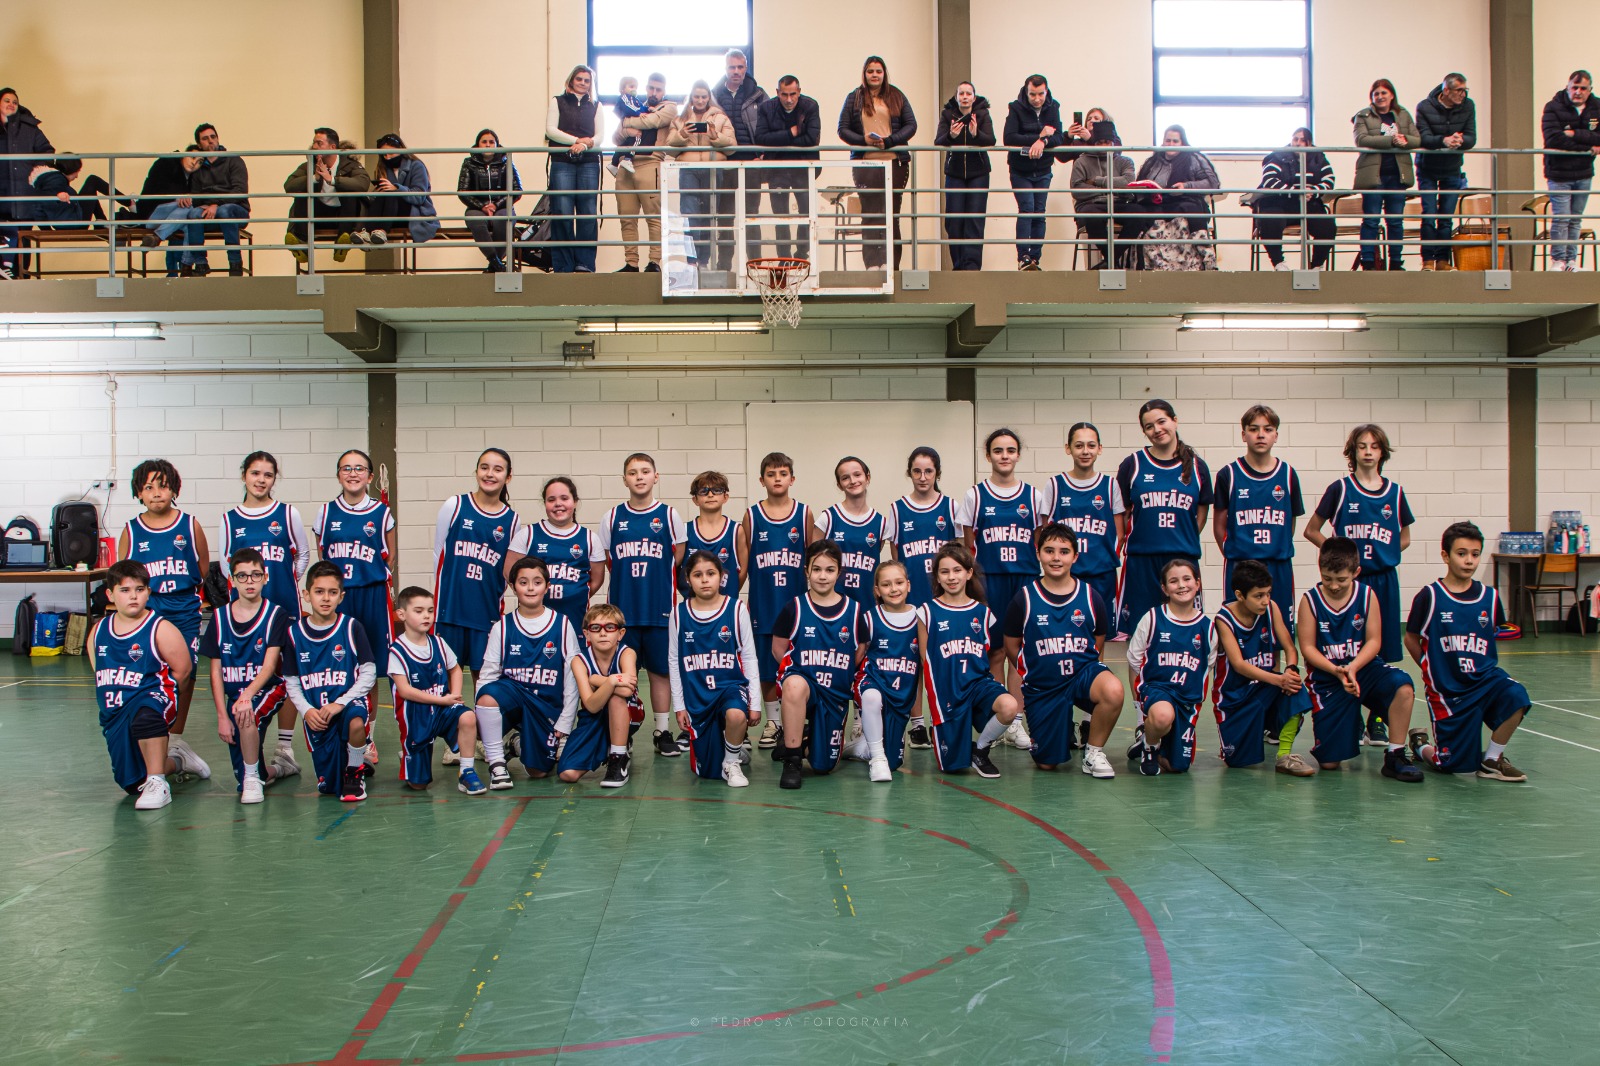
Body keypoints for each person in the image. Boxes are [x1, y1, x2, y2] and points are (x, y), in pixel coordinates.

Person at [1305, 423, 1413, 745]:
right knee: (1345, 647)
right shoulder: (1340, 489)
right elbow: (1311, 530)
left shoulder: (1395, 492)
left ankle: (1375, 719)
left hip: (1383, 578)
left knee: (1383, 651)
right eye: (1362, 446)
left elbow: (1405, 537)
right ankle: (1347, 709)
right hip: (1350, 581)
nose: (1368, 451)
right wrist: (1339, 558)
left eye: (1374, 446)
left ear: (1383, 452)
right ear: (1352, 452)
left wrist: (1385, 553)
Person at [1406, 522, 1532, 781]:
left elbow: (1492, 632)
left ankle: (1492, 759)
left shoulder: (1490, 597)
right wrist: (1430, 667)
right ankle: (1420, 745)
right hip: (1449, 691)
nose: (1469, 560)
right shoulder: (1429, 596)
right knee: (1454, 765)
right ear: (1446, 556)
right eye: (1461, 553)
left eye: (1475, 554)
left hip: (1485, 681)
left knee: (1517, 695)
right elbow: (1410, 638)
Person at [1295, 538, 1423, 781]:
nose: (1333, 585)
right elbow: (1308, 648)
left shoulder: (1366, 595)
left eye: (1341, 579)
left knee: (1403, 686)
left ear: (1356, 572)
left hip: (1363, 669)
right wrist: (1336, 670)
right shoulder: (1310, 600)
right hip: (1328, 677)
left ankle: (1395, 755)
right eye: (1327, 578)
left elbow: (1374, 641)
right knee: (1329, 763)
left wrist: (1353, 667)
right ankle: (1351, 722)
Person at [1003, 523, 1122, 777]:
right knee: (1047, 764)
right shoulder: (1024, 598)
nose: (1056, 558)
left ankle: (1093, 752)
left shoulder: (1091, 596)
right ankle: (1061, 722)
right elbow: (1011, 644)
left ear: (1075, 556)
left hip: (1081, 676)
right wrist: (1031, 669)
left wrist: (1093, 671)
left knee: (1113, 689)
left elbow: (1098, 640)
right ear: (1038, 553)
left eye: (1064, 551)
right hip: (1044, 684)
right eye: (1049, 551)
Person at [218, 451, 309, 767]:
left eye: (268, 475)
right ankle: (251, 738)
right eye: (255, 473)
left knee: (289, 675)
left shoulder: (287, 513)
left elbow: (302, 555)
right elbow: (225, 565)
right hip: (246, 614)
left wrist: (285, 579)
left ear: (274, 479)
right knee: (253, 673)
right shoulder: (229, 519)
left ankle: (285, 747)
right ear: (244, 475)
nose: (261, 480)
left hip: (284, 606)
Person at [596, 452, 687, 758]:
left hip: (660, 610)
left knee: (661, 673)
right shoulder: (611, 517)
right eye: (633, 472)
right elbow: (608, 560)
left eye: (645, 471)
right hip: (623, 614)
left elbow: (677, 557)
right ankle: (625, 732)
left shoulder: (670, 515)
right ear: (624, 479)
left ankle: (662, 731)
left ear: (655, 477)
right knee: (624, 676)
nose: (639, 477)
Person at [91, 560, 201, 809]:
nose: (133, 596)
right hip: (116, 711)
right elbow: (99, 671)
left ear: (148, 592)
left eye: (139, 589)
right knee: (132, 783)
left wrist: (163, 700)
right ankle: (179, 761)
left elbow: (183, 671)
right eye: (125, 590)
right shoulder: (98, 632)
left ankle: (159, 783)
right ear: (110, 594)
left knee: (146, 714)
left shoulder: (161, 628)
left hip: (154, 697)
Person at [958, 428, 1044, 749]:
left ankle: (1016, 722)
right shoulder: (975, 496)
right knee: (994, 651)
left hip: (1024, 580)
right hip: (990, 581)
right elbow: (969, 545)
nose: (1004, 456)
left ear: (1018, 455)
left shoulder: (1034, 497)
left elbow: (1039, 542)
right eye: (998, 450)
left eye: (1010, 450)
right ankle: (996, 722)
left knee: (1018, 653)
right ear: (988, 455)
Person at [118, 458, 209, 736]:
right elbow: (123, 577)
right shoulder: (131, 531)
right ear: (139, 492)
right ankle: (150, 730)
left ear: (174, 490)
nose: (156, 493)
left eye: (163, 486)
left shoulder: (190, 525)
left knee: (185, 672)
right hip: (148, 608)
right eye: (149, 487)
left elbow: (203, 568)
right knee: (146, 671)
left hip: (183, 607)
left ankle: (176, 736)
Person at [916, 542, 1022, 778]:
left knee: (1009, 706)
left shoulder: (983, 613)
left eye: (957, 570)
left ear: (969, 573)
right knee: (954, 767)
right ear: (937, 576)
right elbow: (926, 659)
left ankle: (980, 750)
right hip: (948, 691)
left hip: (977, 685)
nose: (951, 577)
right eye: (945, 572)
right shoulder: (927, 612)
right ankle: (947, 732)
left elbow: (990, 655)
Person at [473, 556, 581, 783]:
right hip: (513, 697)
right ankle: (497, 763)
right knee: (487, 698)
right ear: (513, 587)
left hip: (546, 706)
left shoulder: (562, 624)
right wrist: (480, 711)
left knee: (538, 771)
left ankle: (517, 743)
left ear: (547, 586)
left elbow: (573, 677)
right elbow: (487, 675)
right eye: (523, 582)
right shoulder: (502, 627)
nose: (530, 588)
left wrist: (566, 720)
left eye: (537, 582)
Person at [202, 548, 294, 804]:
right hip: (236, 697)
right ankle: (275, 770)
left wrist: (246, 696)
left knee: (246, 714)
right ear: (232, 580)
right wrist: (222, 716)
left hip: (268, 688)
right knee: (241, 771)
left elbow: (269, 665)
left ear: (265, 577)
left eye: (255, 575)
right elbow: (215, 671)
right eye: (242, 576)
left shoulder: (276, 614)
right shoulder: (219, 617)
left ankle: (253, 779)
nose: (249, 581)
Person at [772, 541, 867, 788]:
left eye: (829, 570)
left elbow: (860, 651)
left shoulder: (855, 610)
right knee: (793, 684)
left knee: (824, 766)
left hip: (835, 693)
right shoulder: (794, 607)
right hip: (805, 685)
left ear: (839, 572)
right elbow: (778, 650)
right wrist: (801, 674)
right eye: (816, 569)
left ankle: (801, 739)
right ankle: (792, 759)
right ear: (807, 571)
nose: (822, 576)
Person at [1115, 400, 1213, 639]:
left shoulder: (1197, 466)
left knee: (1186, 630)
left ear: (1174, 421)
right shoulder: (1132, 464)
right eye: (1149, 426)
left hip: (1182, 558)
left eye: (1162, 422)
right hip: (1142, 560)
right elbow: (1122, 512)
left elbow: (1201, 513)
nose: (1157, 430)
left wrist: (1181, 537)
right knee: (1139, 634)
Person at [282, 562, 378, 801]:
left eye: (332, 592)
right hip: (317, 713)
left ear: (341, 596)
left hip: (347, 703)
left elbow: (369, 673)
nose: (326, 598)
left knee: (356, 722)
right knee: (328, 788)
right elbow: (291, 681)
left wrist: (341, 703)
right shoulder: (294, 634)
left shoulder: (351, 627)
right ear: (306, 595)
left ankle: (355, 771)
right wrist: (306, 710)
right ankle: (353, 761)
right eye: (319, 591)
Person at [670, 550, 763, 787]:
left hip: (729, 686)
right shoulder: (679, 613)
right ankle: (731, 748)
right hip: (698, 694)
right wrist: (679, 706)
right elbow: (674, 661)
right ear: (688, 579)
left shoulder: (736, 608)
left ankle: (731, 761)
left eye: (711, 573)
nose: (705, 580)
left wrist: (755, 702)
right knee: (706, 772)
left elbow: (749, 657)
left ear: (721, 577)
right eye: (697, 575)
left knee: (736, 714)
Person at [1212, 560, 1313, 775]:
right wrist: (1280, 679)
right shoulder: (1223, 619)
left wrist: (1291, 670)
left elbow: (1290, 647)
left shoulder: (1271, 608)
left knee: (1295, 687)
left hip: (1263, 687)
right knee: (1237, 762)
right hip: (1235, 698)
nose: (1265, 600)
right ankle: (1255, 728)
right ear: (1240, 595)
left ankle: (1284, 756)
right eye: (1259, 596)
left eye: (1268, 593)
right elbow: (1239, 665)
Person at [744, 451, 814, 749]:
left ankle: (795, 720)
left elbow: (813, 560)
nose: (777, 479)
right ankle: (773, 721)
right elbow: (744, 563)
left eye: (782, 474)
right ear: (762, 480)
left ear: (792, 479)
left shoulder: (804, 513)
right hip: (763, 603)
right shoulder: (751, 516)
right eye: (771, 474)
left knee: (797, 664)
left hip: (795, 605)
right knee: (766, 668)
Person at [891, 446, 959, 751]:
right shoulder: (898, 509)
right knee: (913, 663)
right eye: (916, 471)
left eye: (928, 471)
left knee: (944, 660)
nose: (922, 477)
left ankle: (945, 718)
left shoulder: (951, 507)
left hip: (943, 600)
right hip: (912, 599)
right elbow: (896, 560)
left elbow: (957, 556)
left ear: (937, 473)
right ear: (909, 473)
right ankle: (917, 724)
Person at [1212, 405, 1305, 628]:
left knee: (1279, 629)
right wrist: (1234, 553)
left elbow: (1290, 523)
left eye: (1267, 429)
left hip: (1278, 564)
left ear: (1276, 436)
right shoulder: (1228, 474)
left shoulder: (1288, 474)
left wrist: (1276, 546)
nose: (1261, 434)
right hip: (1241, 563)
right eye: (1254, 429)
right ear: (1243, 435)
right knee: (1239, 627)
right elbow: (1219, 526)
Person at [432, 448, 519, 680]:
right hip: (450, 610)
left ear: (508, 476)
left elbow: (508, 572)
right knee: (445, 680)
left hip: (485, 613)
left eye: (497, 469)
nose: (489, 474)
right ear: (476, 471)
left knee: (484, 681)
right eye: (484, 467)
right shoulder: (455, 505)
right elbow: (438, 555)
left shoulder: (512, 521)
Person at [389, 587, 484, 795]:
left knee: (467, 717)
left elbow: (455, 669)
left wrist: (455, 695)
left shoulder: (439, 643)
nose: (426, 615)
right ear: (401, 614)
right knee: (418, 785)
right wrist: (442, 700)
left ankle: (467, 771)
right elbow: (404, 691)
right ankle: (409, 755)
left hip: (442, 709)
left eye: (430, 611)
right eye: (419, 611)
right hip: (416, 716)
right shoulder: (397, 651)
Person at [1125, 559, 1214, 776]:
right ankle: (1150, 747)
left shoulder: (1208, 628)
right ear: (1164, 589)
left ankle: (1149, 739)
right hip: (1157, 691)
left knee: (1177, 767)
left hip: (1186, 700)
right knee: (1163, 715)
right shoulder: (1153, 618)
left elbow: (1207, 668)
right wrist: (1141, 709)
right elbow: (1134, 661)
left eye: (1187, 579)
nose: (1181, 585)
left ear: (1197, 583)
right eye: (1174, 581)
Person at [1042, 422, 1124, 654]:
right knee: (1063, 635)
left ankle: (1095, 674)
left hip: (1101, 574)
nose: (1085, 451)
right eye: (1079, 446)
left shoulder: (1110, 485)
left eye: (1091, 445)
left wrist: (1103, 558)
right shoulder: (1055, 485)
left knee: (1099, 637)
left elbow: (1119, 533)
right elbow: (1045, 532)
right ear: (1068, 448)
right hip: (1066, 575)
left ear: (1100, 448)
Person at [313, 449, 397, 674]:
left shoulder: (382, 512)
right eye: (346, 468)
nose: (353, 473)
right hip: (339, 596)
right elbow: (323, 557)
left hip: (372, 594)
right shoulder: (326, 512)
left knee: (373, 662)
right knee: (339, 659)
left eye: (359, 468)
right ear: (338, 475)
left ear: (370, 477)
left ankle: (372, 700)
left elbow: (390, 557)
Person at [844, 560, 923, 781]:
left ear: (908, 585)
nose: (893, 589)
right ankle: (877, 759)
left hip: (901, 695)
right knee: (871, 697)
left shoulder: (921, 618)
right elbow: (857, 656)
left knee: (894, 762)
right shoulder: (870, 618)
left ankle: (860, 747)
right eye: (886, 585)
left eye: (899, 583)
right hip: (873, 680)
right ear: (877, 590)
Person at [837, 56, 918, 271]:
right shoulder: (854, 97)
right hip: (866, 163)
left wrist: (890, 141)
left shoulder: (896, 95)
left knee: (891, 214)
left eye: (878, 71)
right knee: (871, 215)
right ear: (864, 74)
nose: (874, 75)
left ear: (884, 74)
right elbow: (842, 129)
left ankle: (890, 265)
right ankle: (872, 264)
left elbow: (911, 125)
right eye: (870, 71)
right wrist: (863, 140)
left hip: (894, 162)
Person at [504, 476, 605, 638]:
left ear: (575, 501)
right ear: (544, 503)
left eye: (564, 498)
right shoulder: (528, 534)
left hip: (575, 619)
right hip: (534, 621)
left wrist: (574, 594)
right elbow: (509, 571)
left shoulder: (590, 538)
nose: (558, 504)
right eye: (551, 500)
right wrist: (528, 594)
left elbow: (596, 581)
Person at [564, 602, 641, 784]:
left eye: (610, 627)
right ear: (586, 634)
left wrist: (596, 680)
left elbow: (627, 690)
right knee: (568, 773)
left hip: (629, 713)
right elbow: (591, 706)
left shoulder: (627, 653)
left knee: (615, 697)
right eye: (596, 628)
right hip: (594, 717)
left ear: (620, 633)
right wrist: (613, 680)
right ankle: (611, 743)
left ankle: (618, 757)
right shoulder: (579, 661)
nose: (603, 633)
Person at [668, 82, 736, 274]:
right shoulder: (680, 119)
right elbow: (669, 147)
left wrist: (715, 136)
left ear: (709, 97)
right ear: (691, 97)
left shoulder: (721, 118)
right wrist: (683, 134)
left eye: (703, 97)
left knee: (708, 215)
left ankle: (703, 261)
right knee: (690, 216)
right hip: (688, 170)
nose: (700, 100)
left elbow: (732, 147)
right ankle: (691, 261)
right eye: (696, 96)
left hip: (712, 169)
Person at [753, 75, 821, 262]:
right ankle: (784, 259)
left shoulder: (810, 106)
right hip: (777, 169)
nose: (789, 99)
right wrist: (791, 133)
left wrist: (778, 140)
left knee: (806, 213)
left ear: (799, 92)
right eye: (784, 94)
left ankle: (801, 256)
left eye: (793, 94)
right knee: (781, 216)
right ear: (777, 93)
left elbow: (812, 139)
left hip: (804, 167)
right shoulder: (767, 108)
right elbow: (761, 138)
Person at [614, 72, 677, 273]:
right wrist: (627, 129)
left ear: (664, 91)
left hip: (651, 163)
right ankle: (631, 263)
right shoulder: (635, 106)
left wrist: (627, 123)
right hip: (626, 166)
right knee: (627, 218)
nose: (654, 92)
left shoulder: (669, 107)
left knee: (654, 217)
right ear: (646, 88)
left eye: (658, 89)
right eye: (651, 88)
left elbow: (652, 122)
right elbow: (616, 137)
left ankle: (654, 262)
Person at [712, 48, 770, 268]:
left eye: (740, 67)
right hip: (724, 163)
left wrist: (762, 155)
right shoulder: (714, 95)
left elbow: (770, 124)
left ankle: (756, 266)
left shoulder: (759, 94)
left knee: (751, 216)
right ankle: (724, 266)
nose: (736, 71)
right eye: (732, 67)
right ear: (725, 69)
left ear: (746, 68)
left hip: (751, 163)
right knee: (725, 217)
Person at [1353, 80, 1419, 270]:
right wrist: (1391, 140)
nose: (1380, 97)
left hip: (1397, 176)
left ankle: (1396, 262)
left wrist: (1404, 140)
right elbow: (1361, 139)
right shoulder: (1363, 115)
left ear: (1392, 95)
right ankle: (1368, 262)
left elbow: (1416, 139)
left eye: (1383, 93)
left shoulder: (1403, 114)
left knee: (1395, 221)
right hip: (1374, 177)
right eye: (1376, 94)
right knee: (1371, 220)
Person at [1135, 125, 1219, 271]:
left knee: (1188, 213)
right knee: (1141, 216)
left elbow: (1212, 183)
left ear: (1182, 143)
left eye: (1175, 141)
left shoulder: (1194, 158)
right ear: (1163, 142)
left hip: (1185, 202)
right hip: (1157, 205)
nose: (1171, 144)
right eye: (1168, 141)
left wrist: (1186, 186)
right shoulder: (1153, 161)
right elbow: (1139, 184)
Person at [283, 127, 371, 265]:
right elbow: (289, 186)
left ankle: (342, 243)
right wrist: (314, 178)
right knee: (303, 193)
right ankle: (302, 244)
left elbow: (362, 184)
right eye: (314, 143)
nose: (314, 147)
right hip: (317, 216)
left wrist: (333, 180)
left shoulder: (351, 164)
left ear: (332, 147)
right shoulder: (309, 166)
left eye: (319, 143)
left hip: (342, 217)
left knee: (351, 194)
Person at [1414, 75, 1476, 271]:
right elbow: (1423, 138)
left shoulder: (1468, 105)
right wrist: (1444, 141)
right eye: (1459, 90)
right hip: (1427, 168)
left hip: (1452, 168)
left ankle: (1442, 260)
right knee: (1429, 214)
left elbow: (1471, 136)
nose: (1463, 94)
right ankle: (1427, 260)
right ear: (1446, 90)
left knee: (1447, 216)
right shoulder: (1424, 107)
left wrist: (1460, 140)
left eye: (1465, 90)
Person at [1540, 70, 1600, 271]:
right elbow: (1554, 139)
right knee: (1561, 218)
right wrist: (1588, 147)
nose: (1578, 92)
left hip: (1584, 173)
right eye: (1574, 87)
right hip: (1559, 173)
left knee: (1575, 219)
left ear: (1590, 90)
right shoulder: (1553, 107)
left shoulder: (1597, 107)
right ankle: (1558, 260)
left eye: (1583, 88)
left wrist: (1574, 133)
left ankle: (1571, 261)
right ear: (1567, 87)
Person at [1253, 128, 1336, 271]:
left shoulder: (1319, 158)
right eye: (1295, 139)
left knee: (1327, 225)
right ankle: (1278, 263)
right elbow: (1269, 180)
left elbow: (1329, 180)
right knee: (1270, 219)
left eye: (1302, 140)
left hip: (1309, 202)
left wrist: (1312, 191)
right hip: (1280, 202)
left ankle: (1316, 266)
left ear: (1309, 143)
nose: (1298, 143)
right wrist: (1296, 192)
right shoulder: (1278, 156)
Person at [817, 456, 894, 611]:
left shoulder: (881, 523)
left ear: (868, 477)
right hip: (832, 605)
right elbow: (814, 564)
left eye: (857, 475)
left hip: (867, 605)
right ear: (839, 485)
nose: (852, 481)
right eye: (845, 478)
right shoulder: (828, 518)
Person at [1003, 75, 1063, 270]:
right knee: (1027, 209)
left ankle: (1035, 259)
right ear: (1026, 92)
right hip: (1021, 170)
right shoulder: (1016, 108)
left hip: (1043, 169)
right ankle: (1023, 257)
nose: (1037, 99)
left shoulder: (1053, 107)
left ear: (1046, 92)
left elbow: (1059, 137)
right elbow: (1009, 138)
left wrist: (1043, 142)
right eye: (1032, 95)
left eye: (1040, 94)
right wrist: (1038, 136)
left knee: (1039, 213)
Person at [546, 64, 601, 273]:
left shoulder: (596, 105)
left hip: (589, 162)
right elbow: (551, 130)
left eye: (587, 80)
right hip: (562, 161)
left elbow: (599, 136)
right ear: (571, 80)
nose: (583, 83)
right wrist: (577, 141)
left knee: (588, 212)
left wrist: (585, 146)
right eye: (579, 79)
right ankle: (564, 266)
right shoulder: (557, 101)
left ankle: (585, 263)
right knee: (562, 211)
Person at [934, 81, 994, 271]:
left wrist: (976, 134)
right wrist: (951, 136)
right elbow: (938, 141)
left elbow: (991, 140)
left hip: (979, 172)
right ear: (956, 96)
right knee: (954, 220)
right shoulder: (947, 114)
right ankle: (958, 265)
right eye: (961, 93)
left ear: (974, 97)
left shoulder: (982, 114)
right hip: (955, 172)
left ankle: (972, 266)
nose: (965, 97)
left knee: (974, 219)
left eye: (968, 94)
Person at [0, 87, 54, 279]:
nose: (11, 104)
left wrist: (35, 171)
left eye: (14, 102)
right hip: (2, 196)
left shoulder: (29, 128)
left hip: (23, 195)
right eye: (7, 101)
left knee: (23, 238)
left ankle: (22, 278)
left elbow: (47, 152)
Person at [184, 123, 250, 276]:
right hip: (210, 211)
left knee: (225, 210)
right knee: (193, 214)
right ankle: (200, 264)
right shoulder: (199, 167)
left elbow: (239, 191)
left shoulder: (234, 160)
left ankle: (235, 264)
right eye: (205, 139)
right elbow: (195, 196)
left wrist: (216, 204)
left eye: (213, 137)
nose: (210, 141)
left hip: (236, 210)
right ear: (199, 144)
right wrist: (205, 205)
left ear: (218, 138)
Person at [1070, 120, 1134, 269]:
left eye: (1107, 142)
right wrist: (1111, 188)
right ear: (1094, 143)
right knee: (1092, 216)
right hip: (1091, 204)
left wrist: (1096, 181)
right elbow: (1077, 189)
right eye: (1100, 142)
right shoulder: (1081, 161)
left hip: (1118, 203)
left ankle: (1110, 260)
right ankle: (1113, 261)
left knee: (1139, 214)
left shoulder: (1125, 161)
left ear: (1113, 143)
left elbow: (1128, 182)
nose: (1104, 146)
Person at [457, 129, 522, 273]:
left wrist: (496, 205)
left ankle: (494, 266)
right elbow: (462, 191)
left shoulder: (506, 162)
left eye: (491, 142)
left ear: (497, 145)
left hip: (502, 206)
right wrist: (483, 206)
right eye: (484, 142)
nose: (488, 145)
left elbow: (517, 190)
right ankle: (496, 263)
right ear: (478, 145)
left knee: (504, 219)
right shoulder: (468, 163)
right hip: (477, 207)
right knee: (475, 220)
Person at [682, 470, 741, 598]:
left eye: (717, 490)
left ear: (725, 497)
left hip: (727, 605)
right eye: (703, 491)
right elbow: (677, 572)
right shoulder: (685, 531)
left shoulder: (737, 531)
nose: (710, 494)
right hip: (694, 605)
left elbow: (741, 573)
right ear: (695, 499)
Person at [371, 133, 438, 245]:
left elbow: (419, 197)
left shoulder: (416, 166)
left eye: (391, 153)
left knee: (391, 194)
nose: (387, 157)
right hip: (389, 215)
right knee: (383, 196)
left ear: (400, 149)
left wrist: (396, 188)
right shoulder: (383, 169)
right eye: (384, 155)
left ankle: (378, 232)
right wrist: (376, 194)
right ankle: (368, 232)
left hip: (413, 214)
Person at [609, 75, 646, 178]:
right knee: (638, 138)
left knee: (623, 145)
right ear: (622, 89)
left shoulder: (635, 99)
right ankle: (628, 159)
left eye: (635, 87)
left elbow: (641, 107)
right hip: (628, 122)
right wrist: (639, 113)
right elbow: (628, 107)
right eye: (631, 86)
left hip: (630, 122)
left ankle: (614, 163)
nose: (634, 89)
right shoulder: (624, 97)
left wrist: (648, 109)